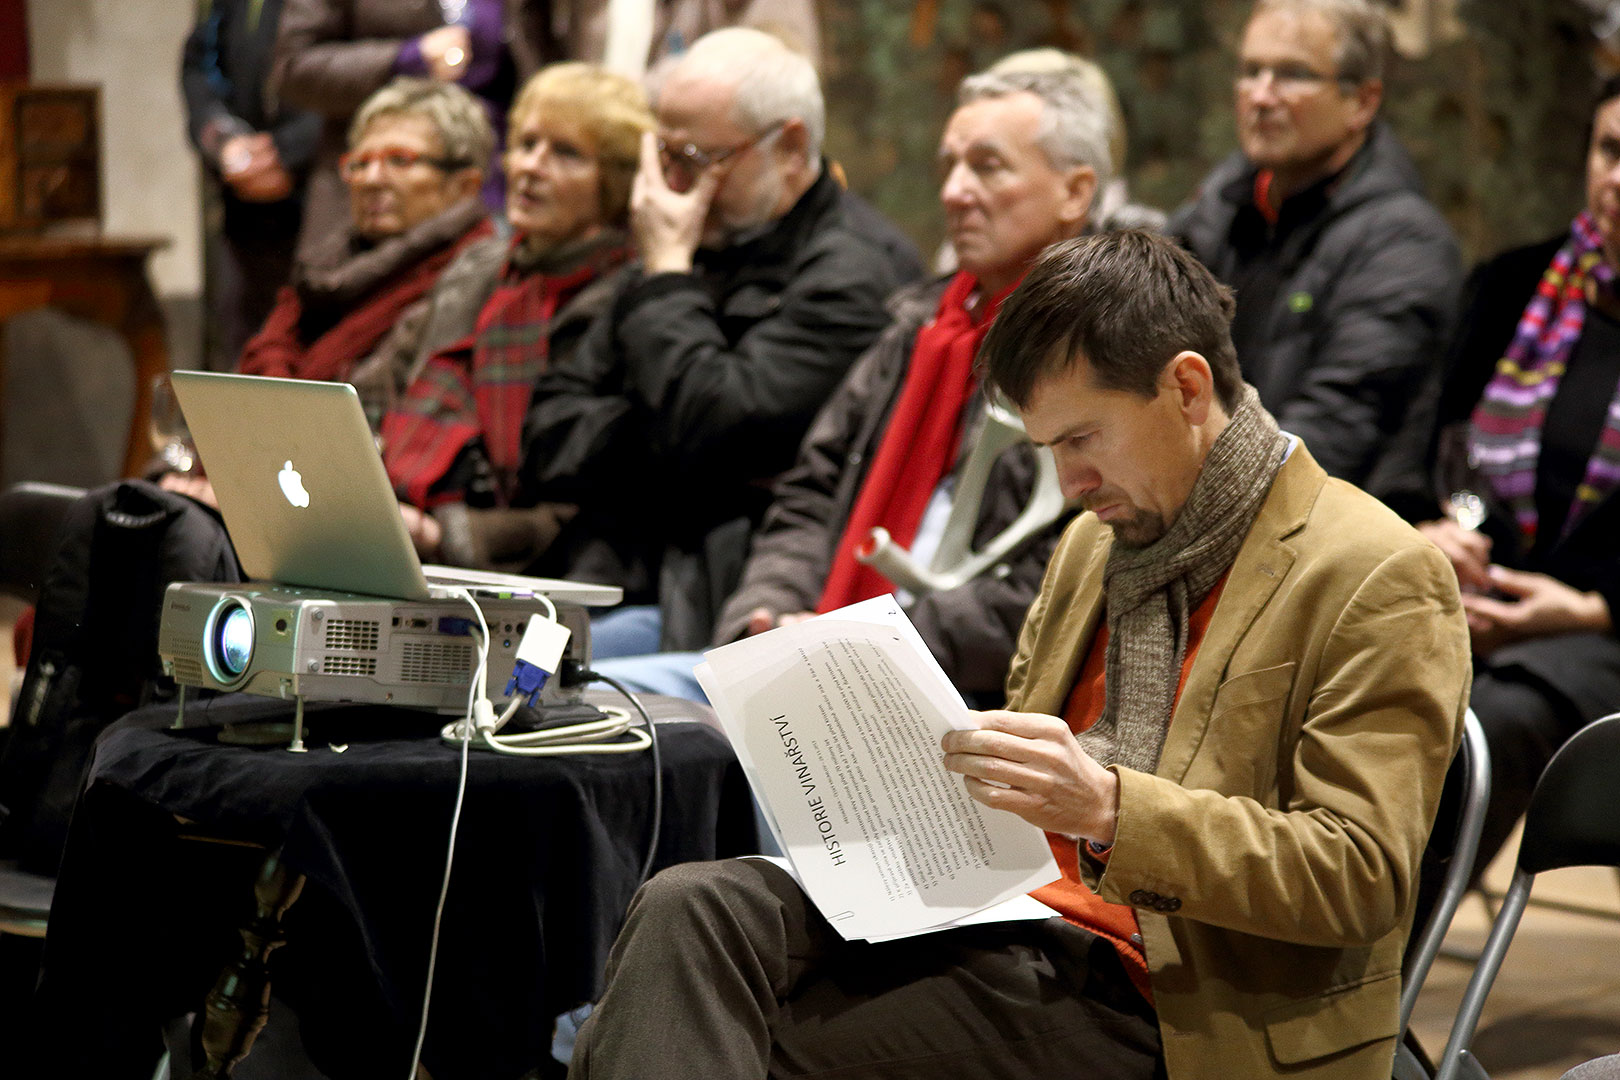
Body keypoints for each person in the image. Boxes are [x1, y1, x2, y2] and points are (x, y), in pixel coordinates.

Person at [569, 230, 1471, 1080]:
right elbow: (1018, 789)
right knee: (693, 908)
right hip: (1018, 930)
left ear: (1188, 389)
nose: (1070, 484)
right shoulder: (1095, 546)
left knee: (687, 1029)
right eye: (1050, 450)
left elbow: (1361, 878)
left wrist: (1113, 808)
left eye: (1082, 439)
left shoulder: (1376, 572)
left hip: (1184, 1005)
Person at [597, 62, 1110, 703]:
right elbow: (811, 491)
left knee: (656, 741)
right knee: (595, 701)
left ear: (1075, 191)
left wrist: (860, 648)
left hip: (957, 695)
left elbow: (1066, 577)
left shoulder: (1101, 352)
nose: (954, 190)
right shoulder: (917, 323)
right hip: (817, 645)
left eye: (988, 167)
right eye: (949, 165)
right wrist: (766, 609)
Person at [516, 27, 923, 655]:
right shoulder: (683, 241)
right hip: (607, 570)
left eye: (697, 160)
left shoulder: (856, 274)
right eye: (665, 155)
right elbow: (547, 435)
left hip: (717, 603)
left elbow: (718, 421)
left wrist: (671, 277)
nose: (672, 185)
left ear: (788, 147)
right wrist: (676, 444)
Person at [1382, 74, 1620, 873]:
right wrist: (1429, 531)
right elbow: (1421, 446)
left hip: (1600, 637)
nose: (1617, 179)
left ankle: (1372, 971)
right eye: (1609, 150)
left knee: (1487, 716)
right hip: (1470, 601)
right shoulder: (1515, 284)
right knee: (1328, 671)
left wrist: (1592, 609)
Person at [1169, 0, 1460, 491]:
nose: (1260, 96)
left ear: (1362, 102)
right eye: (1250, 71)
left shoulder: (1403, 246)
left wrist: (1186, 494)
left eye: (1293, 74)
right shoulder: (1221, 205)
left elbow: (1335, 432)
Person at [380, 63, 654, 569]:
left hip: (545, 574)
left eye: (566, 153)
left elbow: (589, 510)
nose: (531, 166)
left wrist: (447, 534)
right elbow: (390, 387)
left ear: (615, 180)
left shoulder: (629, 298)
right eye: (526, 145)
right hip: (407, 539)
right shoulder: (479, 269)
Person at [236, 78, 493, 428]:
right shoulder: (325, 266)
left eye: (399, 160)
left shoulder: (477, 273)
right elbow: (266, 356)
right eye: (360, 162)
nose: (371, 179)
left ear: (465, 185)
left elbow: (372, 405)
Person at [181, 0, 321, 369]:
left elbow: (369, 70)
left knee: (316, 359)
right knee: (243, 358)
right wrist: (223, 141)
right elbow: (199, 64)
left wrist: (288, 152)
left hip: (327, 199)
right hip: (244, 209)